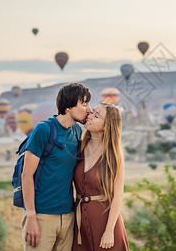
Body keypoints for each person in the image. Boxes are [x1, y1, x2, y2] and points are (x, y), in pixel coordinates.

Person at [21, 83, 91, 250]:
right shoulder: (44, 130)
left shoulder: (76, 131)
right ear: (68, 107)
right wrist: (31, 217)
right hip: (42, 215)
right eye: (84, 104)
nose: (89, 109)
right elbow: (26, 175)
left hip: (68, 216)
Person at [73, 102, 129, 250]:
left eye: (96, 116)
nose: (89, 116)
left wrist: (109, 231)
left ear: (106, 126)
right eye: (92, 112)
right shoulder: (78, 147)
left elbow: (118, 196)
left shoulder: (113, 155)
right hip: (79, 226)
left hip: (105, 224)